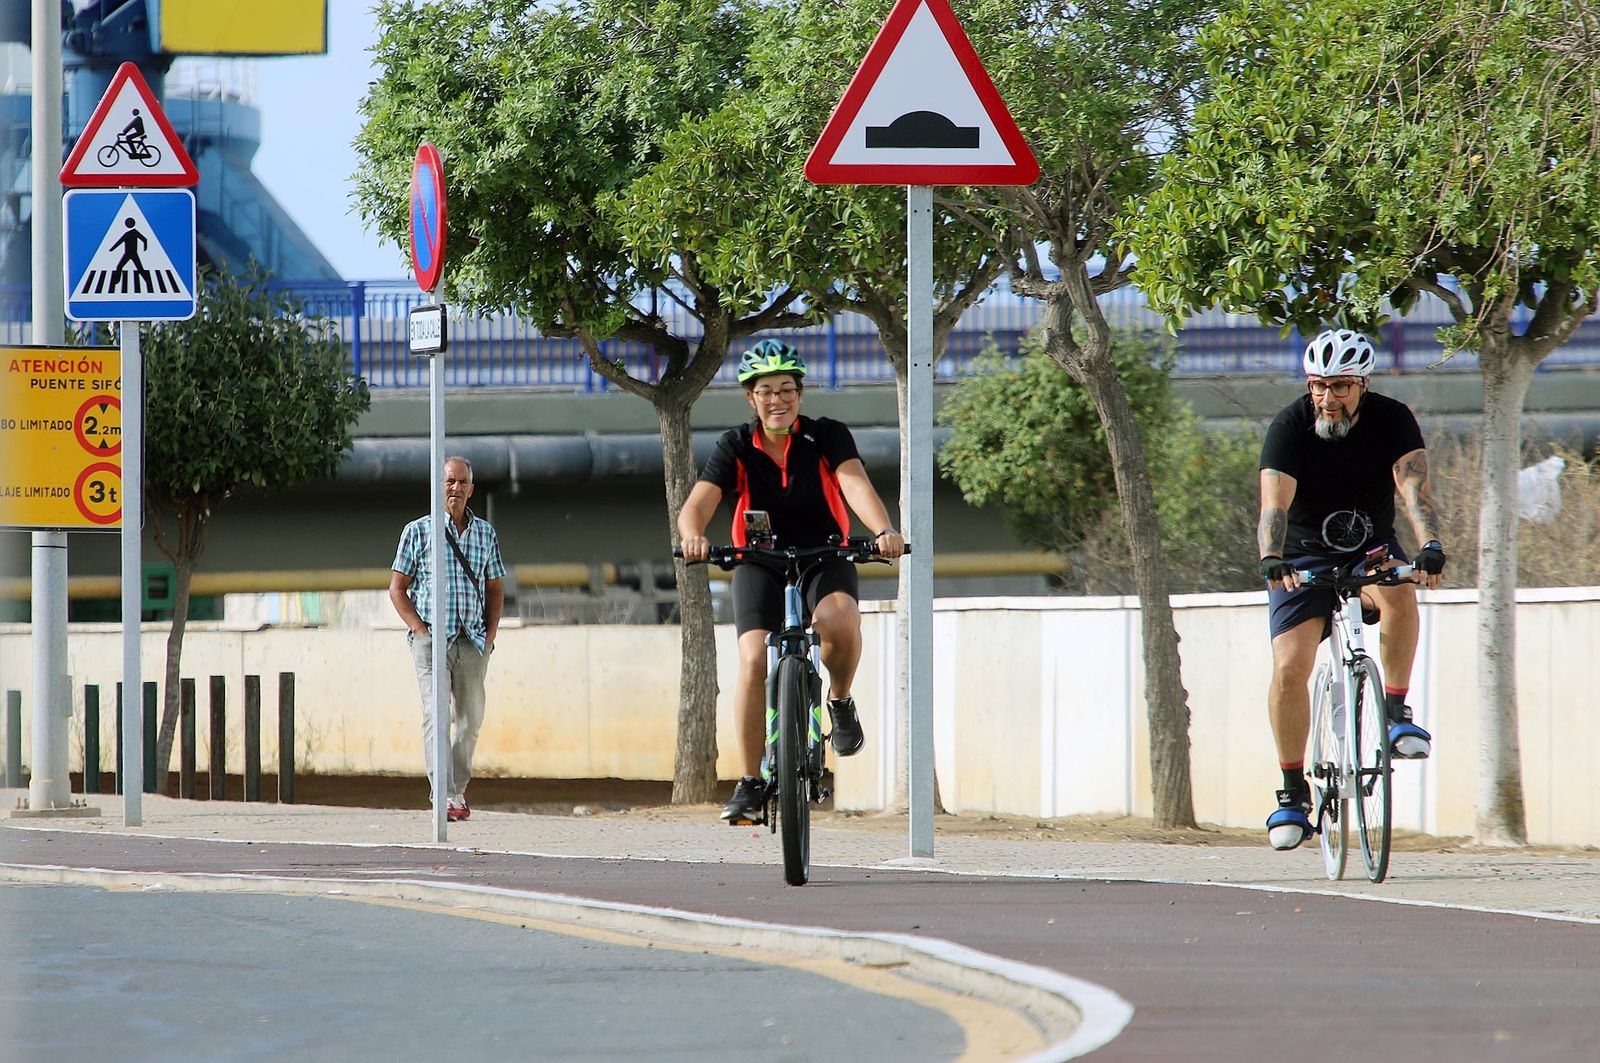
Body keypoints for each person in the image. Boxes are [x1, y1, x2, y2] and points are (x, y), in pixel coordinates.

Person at [677, 339, 906, 824]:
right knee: (754, 657)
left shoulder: (827, 436)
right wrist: (694, 535)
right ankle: (750, 780)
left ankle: (839, 701)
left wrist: (882, 530)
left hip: (826, 552)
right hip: (759, 560)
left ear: (799, 395)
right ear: (750, 398)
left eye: (786, 389)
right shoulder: (736, 444)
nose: (777, 399)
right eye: (766, 391)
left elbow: (854, 483)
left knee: (840, 621)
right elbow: (698, 503)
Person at [1257, 328, 1446, 851]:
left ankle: (1394, 715)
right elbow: (1274, 505)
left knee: (1402, 592)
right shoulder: (1290, 427)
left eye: (1339, 386)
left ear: (1362, 384)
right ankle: (1292, 793)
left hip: (1371, 548)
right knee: (1289, 668)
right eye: (1318, 385)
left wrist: (1429, 544)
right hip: (1302, 557)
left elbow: (1414, 489)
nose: (1327, 398)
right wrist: (1272, 559)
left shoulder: (1392, 419)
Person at [388, 456, 506, 822]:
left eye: (462, 482)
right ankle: (445, 794)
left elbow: (496, 588)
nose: (455, 488)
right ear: (438, 487)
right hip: (431, 639)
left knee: (470, 719)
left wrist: (488, 638)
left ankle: (458, 788)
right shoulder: (417, 531)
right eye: (449, 481)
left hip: (471, 639)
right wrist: (420, 630)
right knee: (436, 715)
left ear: (472, 489)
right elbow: (397, 589)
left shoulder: (485, 533)